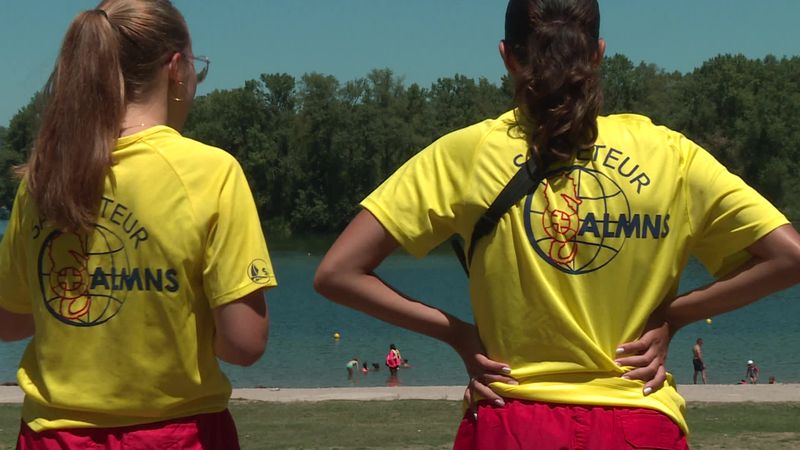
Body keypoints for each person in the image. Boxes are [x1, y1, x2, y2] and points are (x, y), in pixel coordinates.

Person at [315, 0, 800, 447]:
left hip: (513, 416)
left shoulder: (467, 153)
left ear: (507, 56)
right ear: (598, 54)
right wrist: (675, 317)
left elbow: (338, 272)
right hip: (639, 418)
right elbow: (788, 257)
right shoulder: (669, 154)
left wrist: (458, 335)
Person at [0, 1, 276, 448]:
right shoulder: (212, 173)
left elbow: (9, 323)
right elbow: (244, 344)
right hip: (177, 435)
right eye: (196, 68)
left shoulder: (41, 179)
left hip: (53, 436)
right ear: (175, 70)